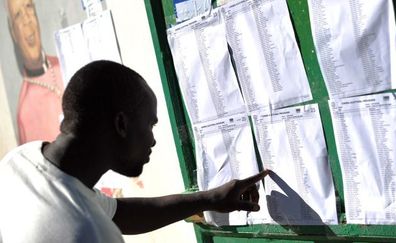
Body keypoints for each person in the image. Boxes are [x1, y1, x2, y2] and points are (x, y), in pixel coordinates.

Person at [0, 60, 269, 242]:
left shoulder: (18, 163)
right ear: (121, 124)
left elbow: (120, 213)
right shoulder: (90, 232)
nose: (152, 141)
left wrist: (209, 199)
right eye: (150, 124)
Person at [6, 0, 64, 144]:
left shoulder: (63, 62)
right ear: (13, 34)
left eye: (29, 7)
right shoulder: (25, 112)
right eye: (18, 15)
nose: (27, 20)